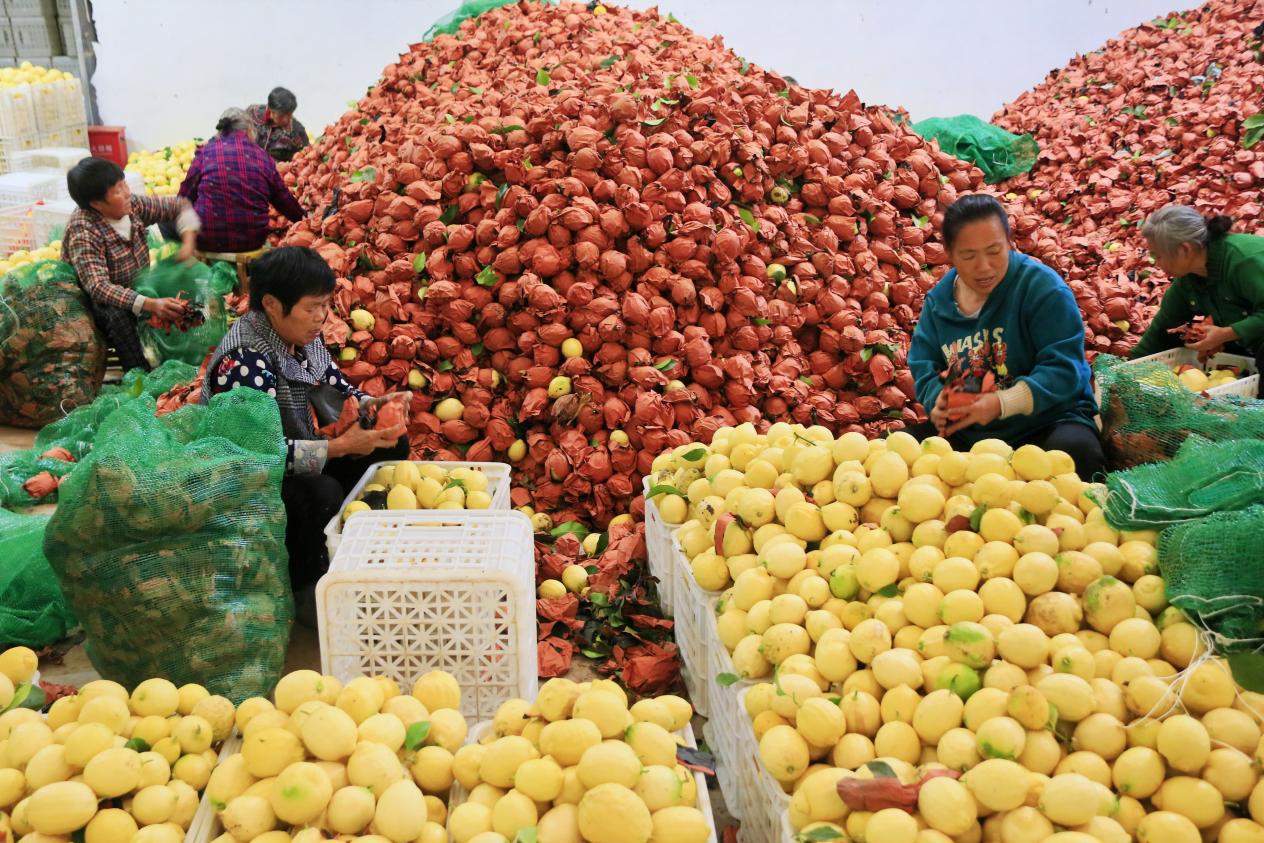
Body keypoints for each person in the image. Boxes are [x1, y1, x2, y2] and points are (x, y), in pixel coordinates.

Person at [202, 246, 408, 589]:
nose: (321, 317)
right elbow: (256, 457)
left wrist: (378, 406)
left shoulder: (304, 336)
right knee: (319, 493)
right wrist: (340, 448)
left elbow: (338, 391)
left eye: (326, 306)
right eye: (312, 308)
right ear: (270, 304)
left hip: (304, 452)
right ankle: (306, 582)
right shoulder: (245, 361)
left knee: (392, 446)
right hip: (253, 482)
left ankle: (353, 542)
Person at [907, 194, 1105, 479]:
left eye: (994, 251)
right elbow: (924, 364)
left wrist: (1003, 403)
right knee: (896, 453)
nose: (984, 266)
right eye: (969, 255)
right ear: (949, 253)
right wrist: (939, 403)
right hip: (970, 432)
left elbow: (1065, 369)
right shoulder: (939, 301)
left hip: (1046, 422)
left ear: (1010, 243)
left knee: (1075, 455)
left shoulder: (1041, 288)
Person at [64, 157, 201, 372]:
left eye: (124, 184)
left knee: (179, 294)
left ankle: (181, 359)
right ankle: (140, 372)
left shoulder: (131, 206)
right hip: (97, 304)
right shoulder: (84, 230)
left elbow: (179, 206)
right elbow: (98, 287)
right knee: (117, 315)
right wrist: (150, 304)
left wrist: (188, 243)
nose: (127, 192)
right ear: (96, 204)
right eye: (118, 190)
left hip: (136, 288)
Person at [1130, 206, 1264, 392]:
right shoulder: (1188, 279)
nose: (1157, 264)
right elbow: (1162, 330)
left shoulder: (1243, 261)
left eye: (1159, 256)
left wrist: (1227, 333)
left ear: (1184, 250)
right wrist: (1128, 372)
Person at [178, 108, 306, 255]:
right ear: (249, 130)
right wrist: (303, 218)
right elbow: (283, 199)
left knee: (167, 220)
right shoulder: (263, 157)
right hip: (252, 242)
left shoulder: (206, 152)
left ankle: (185, 260)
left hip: (207, 240)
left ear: (220, 131)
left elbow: (184, 197)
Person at [246, 87, 309, 163]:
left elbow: (306, 156)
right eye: (281, 115)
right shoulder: (252, 113)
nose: (286, 120)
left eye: (289, 115)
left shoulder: (297, 131)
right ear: (270, 109)